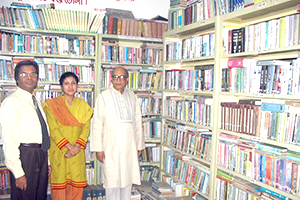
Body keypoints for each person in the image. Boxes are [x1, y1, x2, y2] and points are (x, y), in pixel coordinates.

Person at [90, 66, 145, 200]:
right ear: (111, 79)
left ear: (127, 80)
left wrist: (139, 145)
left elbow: (138, 122)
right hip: (111, 148)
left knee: (127, 182)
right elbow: (97, 123)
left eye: (121, 77)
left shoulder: (132, 96)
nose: (118, 80)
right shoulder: (103, 96)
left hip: (129, 148)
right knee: (112, 183)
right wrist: (98, 148)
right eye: (115, 77)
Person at [0, 60, 50, 200]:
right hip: (26, 156)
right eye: (24, 74)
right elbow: (9, 139)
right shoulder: (12, 102)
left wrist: (48, 161)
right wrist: (18, 172)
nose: (29, 77)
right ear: (16, 78)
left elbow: (43, 133)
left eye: (33, 74)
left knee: (39, 196)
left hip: (40, 155)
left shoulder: (35, 101)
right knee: (25, 196)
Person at [43, 72, 93, 200]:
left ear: (77, 86)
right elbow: (53, 130)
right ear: (61, 86)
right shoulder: (52, 105)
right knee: (60, 188)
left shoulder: (84, 107)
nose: (70, 86)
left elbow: (85, 129)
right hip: (59, 152)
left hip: (77, 152)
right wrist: (69, 147)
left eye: (73, 83)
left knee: (76, 188)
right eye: (66, 83)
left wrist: (76, 147)